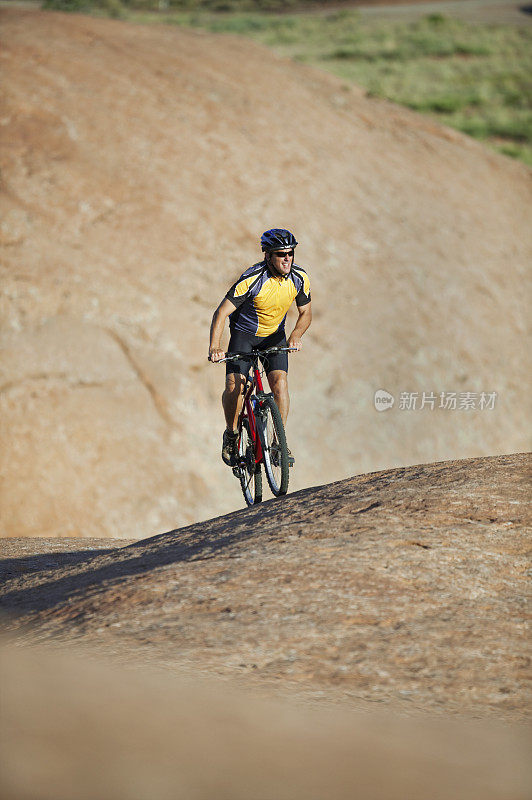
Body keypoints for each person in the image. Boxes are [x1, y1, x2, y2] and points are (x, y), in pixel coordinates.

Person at [209, 228, 312, 467]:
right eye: (280, 254)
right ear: (267, 256)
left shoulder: (299, 278)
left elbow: (306, 312)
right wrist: (215, 347)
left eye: (290, 253)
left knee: (280, 384)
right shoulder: (253, 278)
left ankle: (279, 444)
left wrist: (296, 333)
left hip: (274, 336)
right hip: (244, 336)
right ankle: (232, 435)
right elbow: (221, 313)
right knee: (236, 388)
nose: (287, 259)